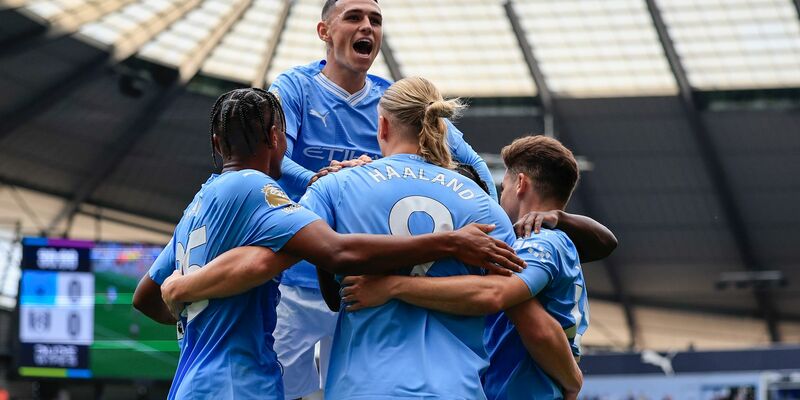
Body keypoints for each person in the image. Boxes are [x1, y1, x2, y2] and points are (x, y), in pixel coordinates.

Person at [131, 88, 524, 400]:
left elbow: (146, 297)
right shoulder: (259, 189)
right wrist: (449, 242)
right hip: (240, 379)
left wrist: (193, 308)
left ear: (217, 143)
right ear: (275, 137)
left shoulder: (200, 201)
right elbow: (336, 251)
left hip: (193, 380)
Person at [267, 1, 500, 395]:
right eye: (354, 17)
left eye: (375, 20)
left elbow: (475, 166)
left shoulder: (394, 100)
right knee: (277, 390)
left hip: (369, 284)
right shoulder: (294, 87)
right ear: (324, 32)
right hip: (300, 279)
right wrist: (322, 177)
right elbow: (274, 157)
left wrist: (489, 215)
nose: (367, 27)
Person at [341, 135, 603, 400]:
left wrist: (393, 287)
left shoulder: (540, 242)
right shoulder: (556, 243)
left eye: (504, 187)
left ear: (521, 183)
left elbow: (509, 305)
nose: (500, 197)